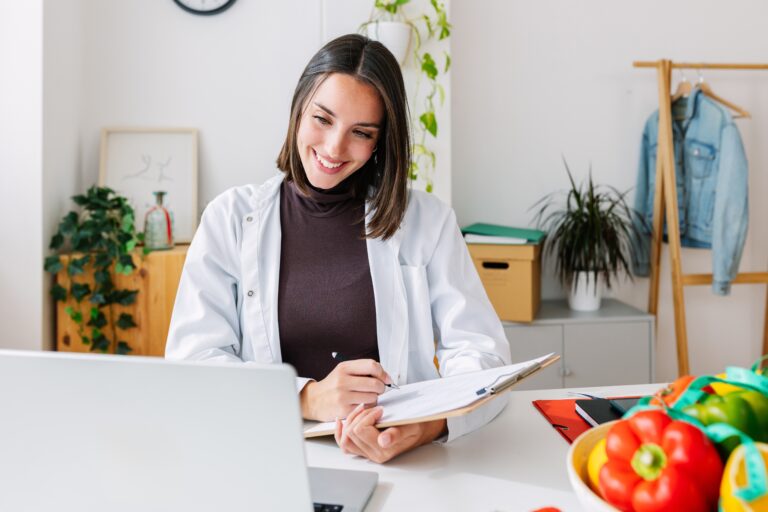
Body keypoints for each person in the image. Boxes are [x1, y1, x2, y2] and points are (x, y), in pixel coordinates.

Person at [165, 34, 511, 463]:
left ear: (381, 142)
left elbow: (483, 356)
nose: (333, 148)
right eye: (322, 119)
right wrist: (306, 398)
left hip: (401, 463)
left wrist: (427, 426)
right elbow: (193, 361)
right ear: (298, 108)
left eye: (360, 132)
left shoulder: (428, 221)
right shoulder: (228, 219)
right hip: (263, 454)